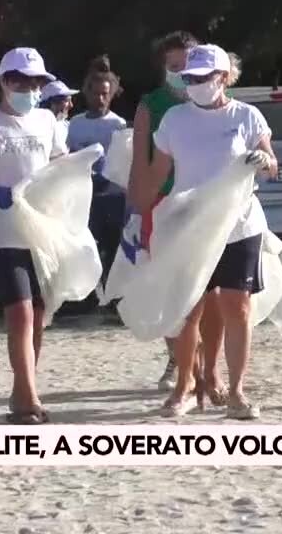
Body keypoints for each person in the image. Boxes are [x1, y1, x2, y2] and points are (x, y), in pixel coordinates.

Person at [144, 44, 277, 418]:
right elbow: (158, 175)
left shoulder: (247, 116)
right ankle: (185, 386)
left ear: (224, 77)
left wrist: (264, 160)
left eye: (204, 77)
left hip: (240, 225)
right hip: (191, 224)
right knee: (189, 309)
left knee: (238, 306)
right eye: (190, 77)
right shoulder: (173, 119)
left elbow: (272, 164)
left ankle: (236, 391)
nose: (196, 83)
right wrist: (143, 215)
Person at [0, 47, 68, 424]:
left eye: (36, 82)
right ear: (4, 82)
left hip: (42, 229)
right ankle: (28, 398)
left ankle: (23, 387)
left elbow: (59, 163)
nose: (28, 89)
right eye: (20, 81)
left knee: (39, 313)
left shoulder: (46, 120)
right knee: (20, 313)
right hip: (3, 231)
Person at [128, 30, 203, 391]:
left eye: (187, 64)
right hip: (161, 203)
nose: (182, 72)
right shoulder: (152, 104)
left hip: (204, 202)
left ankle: (203, 364)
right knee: (165, 284)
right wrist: (136, 203)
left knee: (203, 285)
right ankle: (178, 357)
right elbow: (139, 157)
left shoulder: (214, 99)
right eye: (174, 66)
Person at [66, 56, 129, 297]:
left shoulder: (118, 124)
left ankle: (115, 295)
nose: (100, 99)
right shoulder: (76, 124)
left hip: (112, 194)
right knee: (87, 244)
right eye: (96, 94)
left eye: (105, 94)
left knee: (114, 245)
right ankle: (87, 295)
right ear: (87, 93)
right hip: (84, 194)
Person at [40, 79, 79, 144]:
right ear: (52, 103)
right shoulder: (37, 127)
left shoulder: (68, 126)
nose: (71, 105)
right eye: (67, 101)